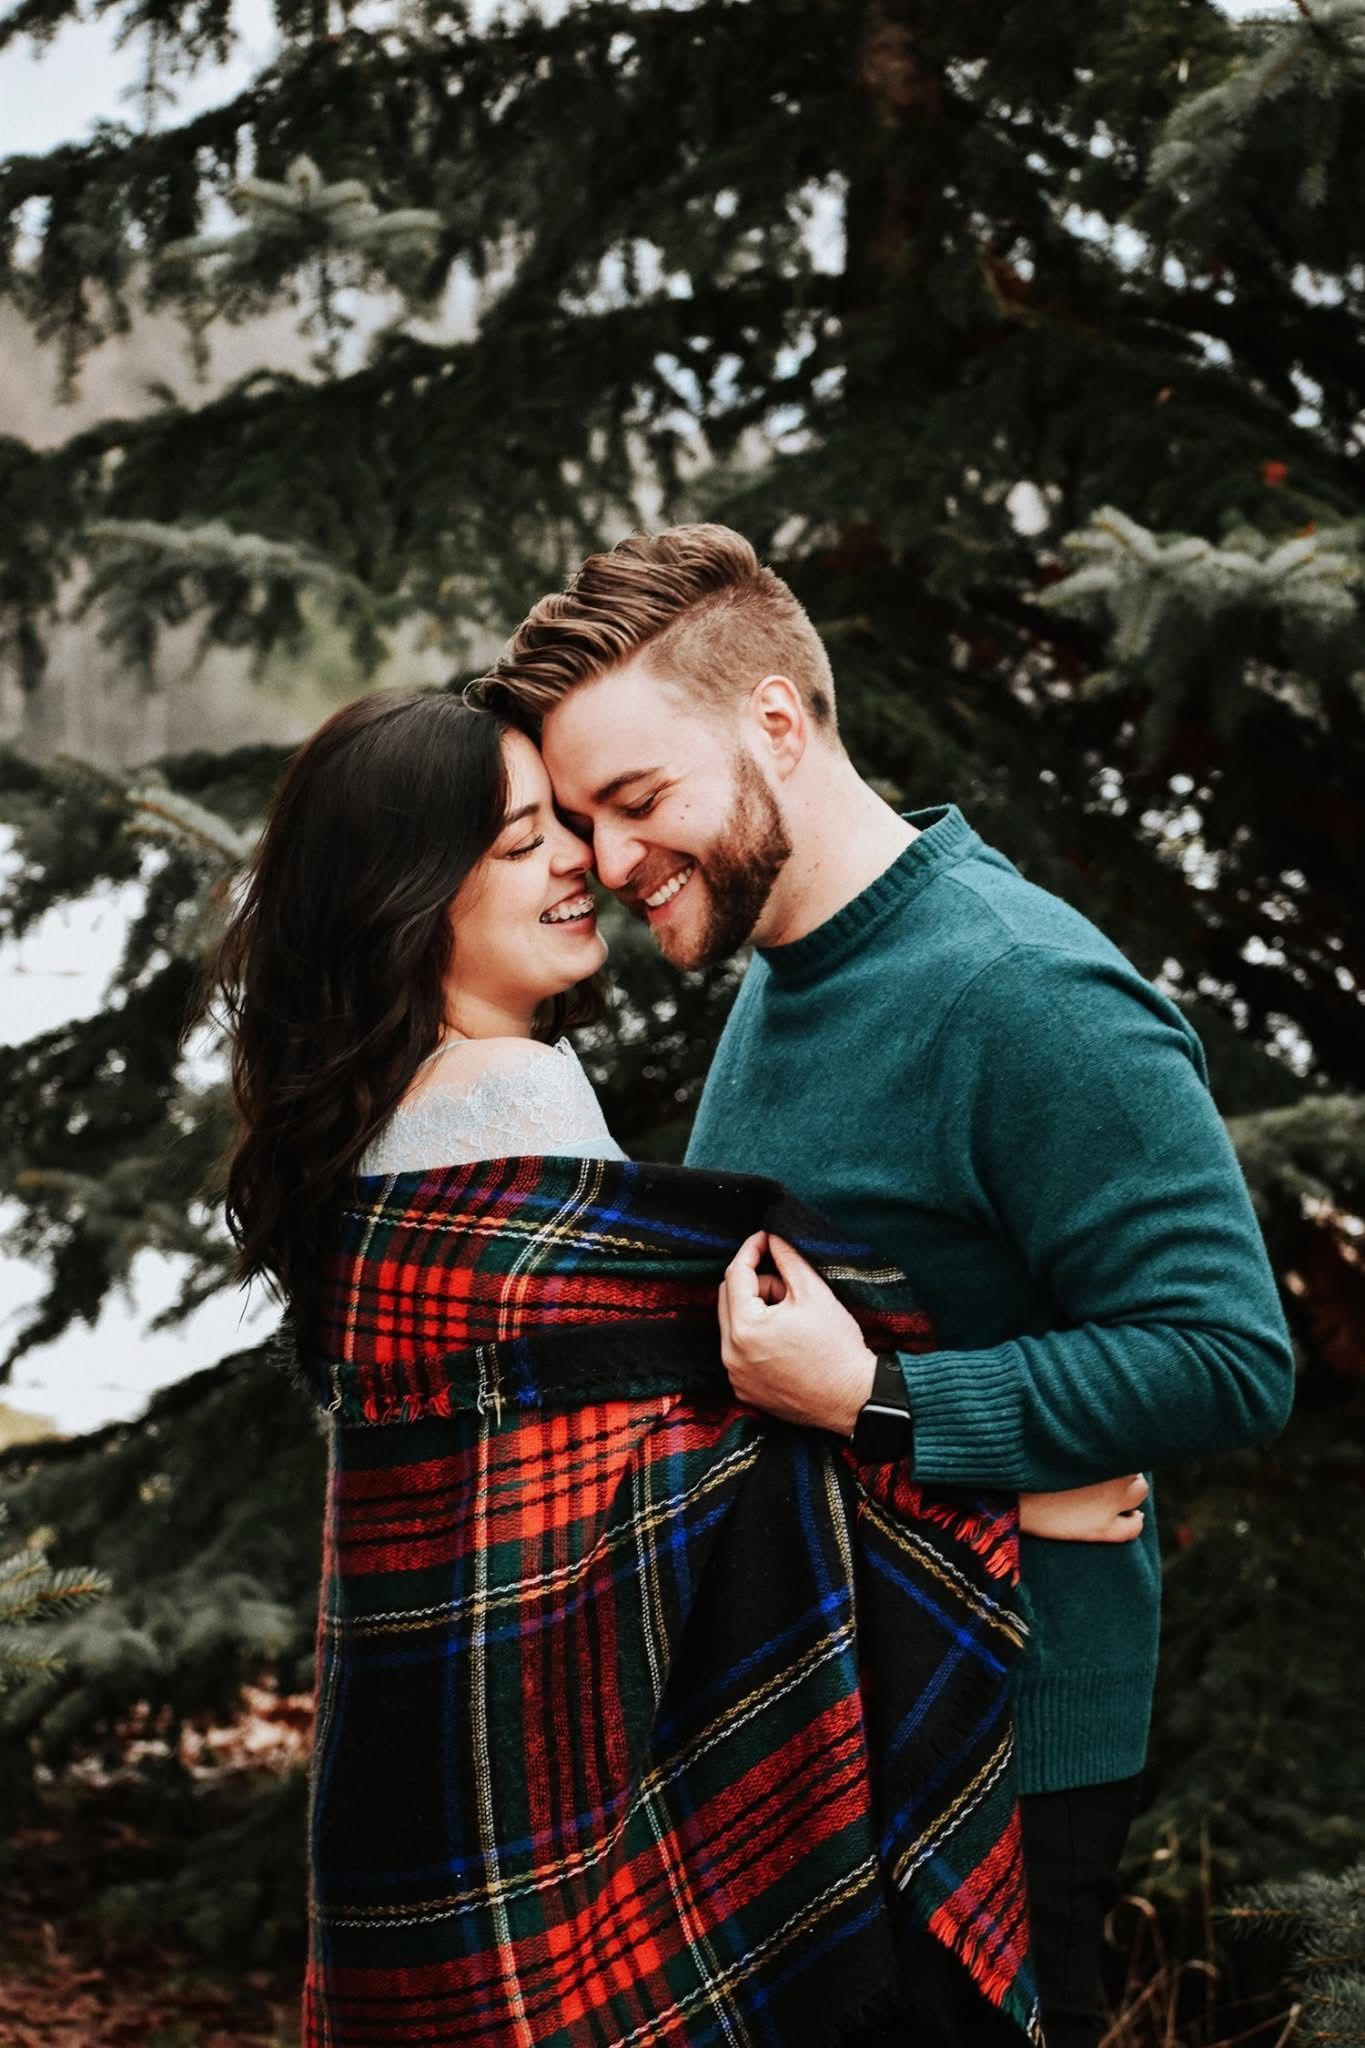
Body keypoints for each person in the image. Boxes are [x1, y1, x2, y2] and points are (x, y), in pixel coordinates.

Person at [209, 685, 1152, 2047]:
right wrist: (1000, 1502)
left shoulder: (367, 1126)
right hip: (547, 1762)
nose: (579, 864)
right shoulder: (511, 1097)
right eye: (522, 838)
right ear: (411, 891)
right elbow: (691, 1485)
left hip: (421, 1765)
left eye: (578, 825)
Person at [479, 523, 1298, 2048]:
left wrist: (881, 1400)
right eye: (580, 818)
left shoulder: (1022, 994)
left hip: (984, 1744)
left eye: (637, 799)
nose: (602, 860)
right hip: (823, 1702)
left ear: (776, 721)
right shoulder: (785, 974)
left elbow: (1225, 1354)